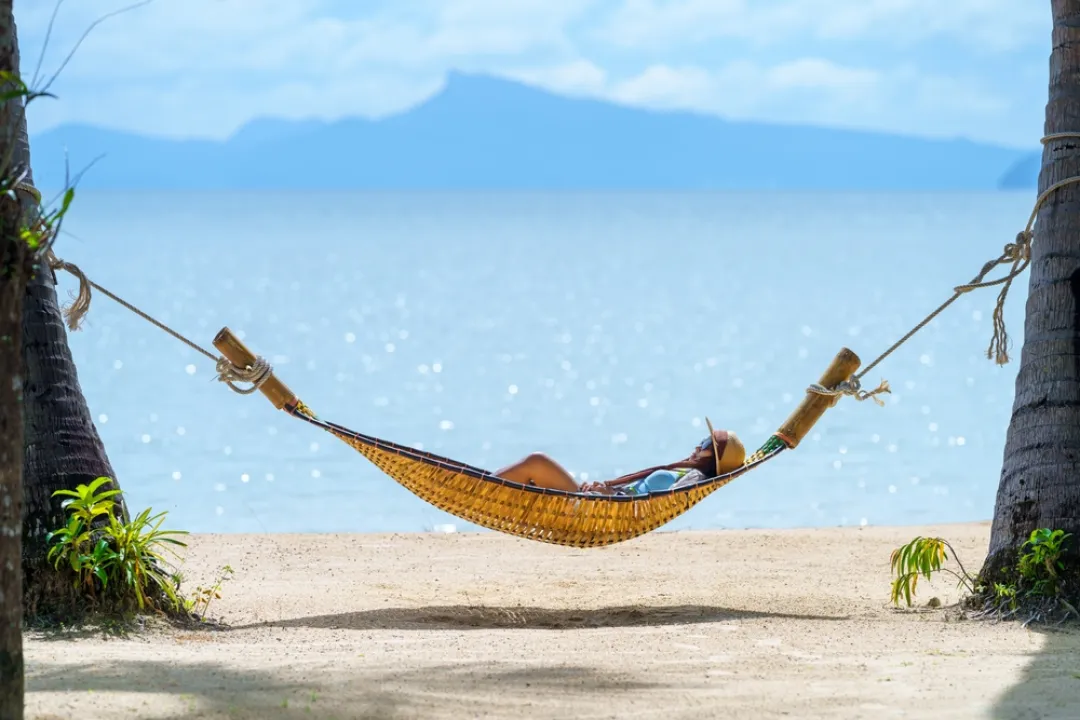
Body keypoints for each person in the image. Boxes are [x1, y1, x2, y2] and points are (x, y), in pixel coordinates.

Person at [495, 418, 746, 495]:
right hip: (596, 503)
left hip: (595, 512)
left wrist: (610, 495)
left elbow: (648, 505)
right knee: (531, 473)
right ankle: (481, 484)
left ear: (713, 457)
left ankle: (479, 486)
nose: (696, 445)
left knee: (537, 462)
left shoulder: (692, 479)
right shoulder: (682, 473)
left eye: (704, 443)